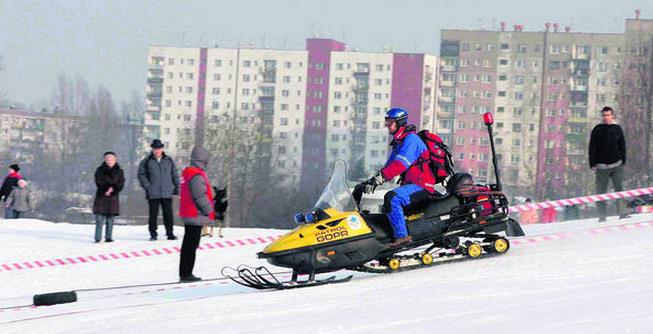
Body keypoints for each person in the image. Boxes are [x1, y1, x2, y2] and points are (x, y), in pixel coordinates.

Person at [361, 107, 437, 248]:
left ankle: (402, 237)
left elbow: (400, 164)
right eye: (387, 123)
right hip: (412, 185)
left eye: (390, 123)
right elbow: (389, 166)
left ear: (400, 122)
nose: (388, 126)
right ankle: (386, 237)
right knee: (386, 207)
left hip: (422, 185)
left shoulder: (411, 139)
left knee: (393, 198)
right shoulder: (400, 142)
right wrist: (371, 181)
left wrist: (381, 178)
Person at [178, 147, 216, 282]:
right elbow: (200, 196)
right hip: (195, 214)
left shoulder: (188, 172)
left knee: (188, 245)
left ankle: (185, 272)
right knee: (191, 246)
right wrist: (209, 210)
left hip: (188, 212)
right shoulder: (196, 175)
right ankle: (186, 274)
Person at [589, 106, 628, 222]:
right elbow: (592, 147)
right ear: (602, 116)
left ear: (612, 116)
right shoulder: (597, 129)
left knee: (619, 189)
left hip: (617, 165)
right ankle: (602, 216)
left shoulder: (617, 129)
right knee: (600, 192)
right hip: (601, 166)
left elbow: (622, 145)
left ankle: (622, 212)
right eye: (604, 115)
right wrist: (592, 164)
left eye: (608, 115)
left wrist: (623, 161)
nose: (606, 117)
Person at [138, 139, 180, 240]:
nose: (157, 151)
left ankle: (170, 233)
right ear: (152, 149)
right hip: (153, 193)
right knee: (153, 215)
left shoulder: (168, 160)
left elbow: (174, 174)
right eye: (155, 149)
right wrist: (148, 186)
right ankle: (153, 234)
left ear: (162, 149)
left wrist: (177, 186)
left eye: (159, 148)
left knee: (168, 214)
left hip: (167, 192)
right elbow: (141, 175)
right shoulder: (147, 161)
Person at [92, 152, 125, 243]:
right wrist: (106, 189)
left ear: (115, 160)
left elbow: (121, 183)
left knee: (110, 218)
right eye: (108, 159)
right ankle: (98, 238)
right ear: (105, 160)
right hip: (101, 196)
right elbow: (98, 182)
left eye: (111, 159)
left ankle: (108, 237)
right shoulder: (99, 170)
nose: (109, 161)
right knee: (99, 218)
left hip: (113, 197)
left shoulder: (119, 171)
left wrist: (113, 189)